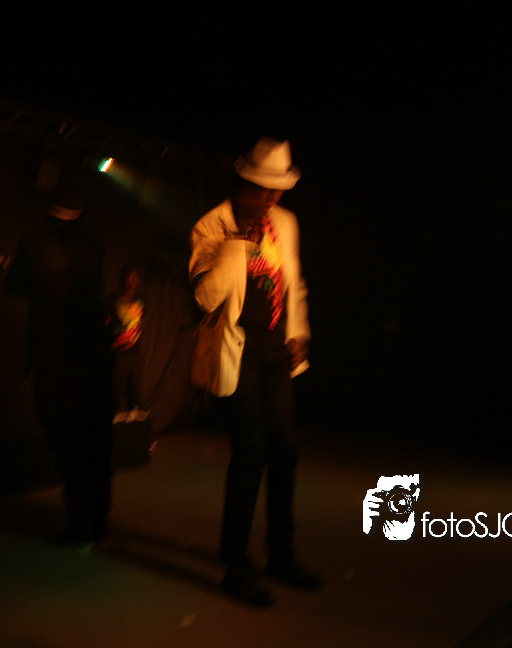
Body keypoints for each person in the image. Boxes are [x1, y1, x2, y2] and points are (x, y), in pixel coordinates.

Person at [189, 137, 322, 607]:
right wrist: (238, 243)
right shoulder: (213, 225)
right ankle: (236, 566)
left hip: (276, 351)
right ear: (245, 183)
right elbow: (205, 297)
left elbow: (294, 281)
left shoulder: (285, 222)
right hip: (238, 350)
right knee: (250, 452)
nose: (271, 197)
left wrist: (298, 329)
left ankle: (280, 554)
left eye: (277, 189)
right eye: (264, 188)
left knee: (285, 450)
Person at [4, 188, 115, 547]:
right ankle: (98, 522)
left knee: (66, 445)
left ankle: (80, 524)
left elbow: (13, 285)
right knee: (95, 443)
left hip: (54, 361)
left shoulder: (33, 245)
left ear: (48, 214)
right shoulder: (94, 249)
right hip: (93, 360)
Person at [106, 264, 147, 423]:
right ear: (121, 280)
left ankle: (136, 430)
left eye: (134, 278)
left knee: (135, 391)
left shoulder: (140, 302)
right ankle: (116, 428)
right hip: (117, 356)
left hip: (134, 355)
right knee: (116, 391)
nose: (131, 282)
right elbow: (103, 326)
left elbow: (139, 323)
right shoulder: (111, 302)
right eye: (128, 278)